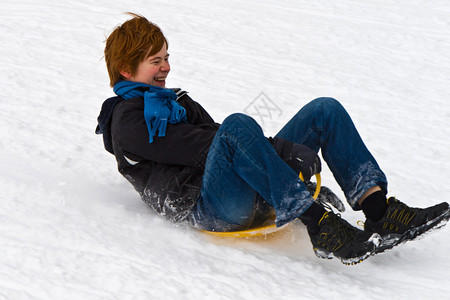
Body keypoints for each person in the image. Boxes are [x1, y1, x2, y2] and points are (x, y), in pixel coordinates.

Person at [96, 13, 450, 265]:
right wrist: (284, 153)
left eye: (167, 57)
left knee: (324, 110)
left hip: (236, 190)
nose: (167, 67)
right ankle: (318, 224)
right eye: (156, 61)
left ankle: (380, 212)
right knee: (237, 125)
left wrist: (282, 170)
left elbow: (227, 144)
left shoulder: (175, 102)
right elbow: (206, 148)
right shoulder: (128, 121)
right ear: (127, 69)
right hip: (212, 209)